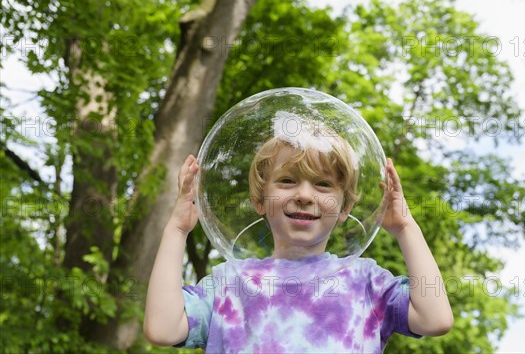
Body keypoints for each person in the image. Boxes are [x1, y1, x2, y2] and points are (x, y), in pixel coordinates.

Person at [144, 127, 454, 353]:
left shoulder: (365, 281)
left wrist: (405, 227)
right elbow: (162, 328)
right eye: (288, 181)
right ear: (259, 200)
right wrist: (176, 229)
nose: (304, 196)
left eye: (322, 185)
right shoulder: (230, 283)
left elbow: (435, 318)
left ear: (345, 207)